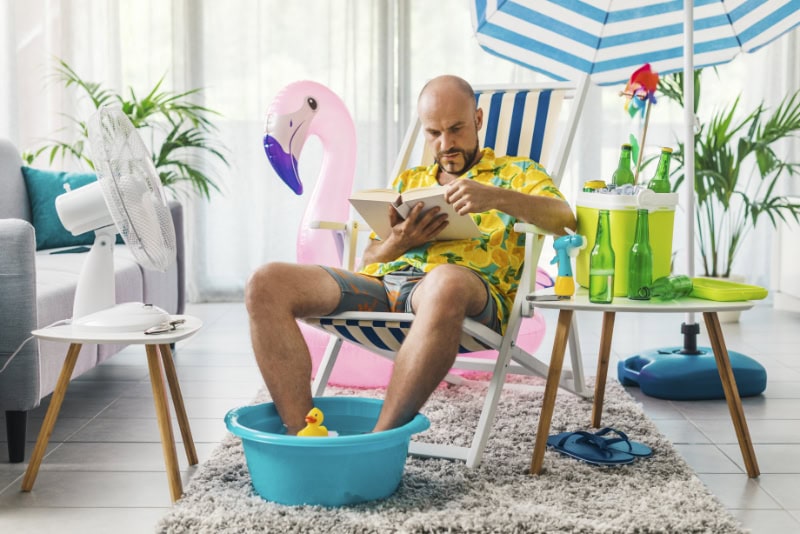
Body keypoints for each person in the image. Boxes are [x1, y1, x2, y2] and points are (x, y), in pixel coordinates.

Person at [245, 75, 576, 435]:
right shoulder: (411, 181)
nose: (446, 144)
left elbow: (565, 219)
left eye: (456, 129)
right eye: (434, 133)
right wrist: (398, 242)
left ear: (478, 120)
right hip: (387, 287)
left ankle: (379, 440)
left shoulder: (518, 173)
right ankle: (303, 435)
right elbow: (368, 262)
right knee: (266, 283)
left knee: (445, 280)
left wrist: (494, 197)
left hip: (464, 294)